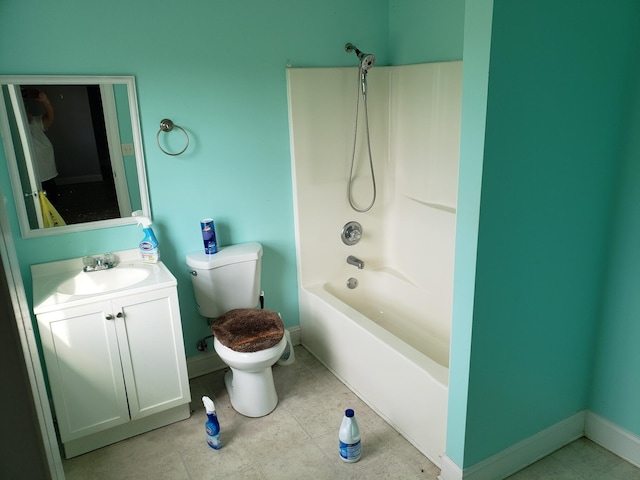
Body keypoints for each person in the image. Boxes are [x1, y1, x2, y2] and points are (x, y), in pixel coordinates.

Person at [24, 88, 58, 205]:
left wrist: (45, 101)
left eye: (26, 109)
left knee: (52, 203)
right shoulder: (15, 128)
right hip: (32, 176)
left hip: (48, 174)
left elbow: (50, 117)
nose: (27, 112)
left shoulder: (34, 122)